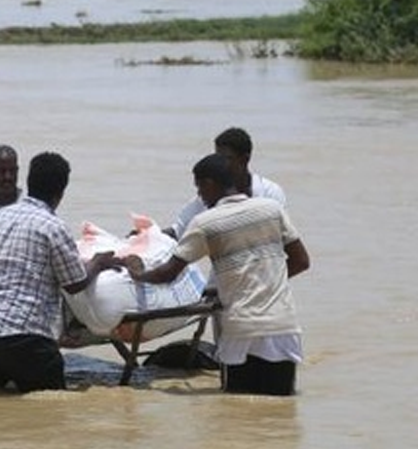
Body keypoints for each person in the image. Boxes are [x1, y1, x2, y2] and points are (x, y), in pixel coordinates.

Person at [130, 154, 310, 396]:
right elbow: (301, 261)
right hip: (282, 327)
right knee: (280, 406)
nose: (200, 196)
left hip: (240, 329)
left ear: (209, 184)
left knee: (238, 406)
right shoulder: (271, 209)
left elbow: (169, 273)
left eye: (199, 188)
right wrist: (266, 281)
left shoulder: (205, 223)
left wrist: (138, 274)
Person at [0, 151, 120, 393]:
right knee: (52, 408)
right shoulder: (53, 227)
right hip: (23, 339)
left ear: (28, 180)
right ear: (61, 192)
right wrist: (97, 262)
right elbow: (74, 283)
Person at [165, 127, 286, 240]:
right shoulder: (209, 195)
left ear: (245, 159)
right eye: (218, 157)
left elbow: (279, 234)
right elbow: (178, 231)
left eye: (227, 158)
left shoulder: (269, 193)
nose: (220, 162)